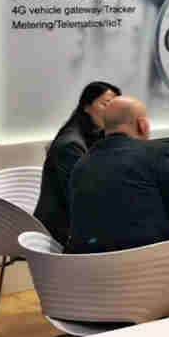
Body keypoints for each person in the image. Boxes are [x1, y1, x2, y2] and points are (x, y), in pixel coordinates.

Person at [66, 96, 169, 312]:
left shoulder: (81, 164)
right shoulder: (157, 152)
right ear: (142, 124)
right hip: (149, 279)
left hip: (92, 286)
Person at [34, 81, 120, 245]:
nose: (111, 112)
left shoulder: (97, 135)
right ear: (86, 106)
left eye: (115, 107)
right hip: (63, 228)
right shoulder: (71, 144)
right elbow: (80, 197)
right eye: (105, 104)